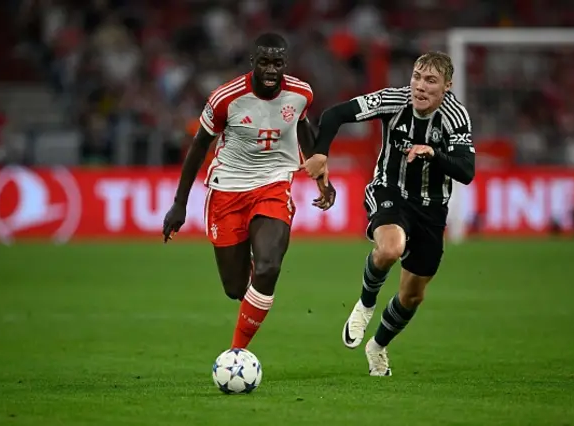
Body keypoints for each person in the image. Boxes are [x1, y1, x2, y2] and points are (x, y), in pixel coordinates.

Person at [301, 51, 475, 376]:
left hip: (432, 207)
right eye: (417, 77)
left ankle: (378, 346)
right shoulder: (394, 101)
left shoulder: (455, 116)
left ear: (447, 86)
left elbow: (467, 170)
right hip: (389, 190)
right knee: (390, 248)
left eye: (431, 81)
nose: (420, 87)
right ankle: (365, 304)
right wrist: (321, 152)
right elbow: (335, 114)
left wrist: (434, 153)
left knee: (412, 296)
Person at [163, 33, 336, 350]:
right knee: (234, 287)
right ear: (252, 62)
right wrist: (179, 204)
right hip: (227, 190)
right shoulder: (225, 98)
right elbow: (199, 148)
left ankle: (237, 353)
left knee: (270, 267)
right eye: (265, 62)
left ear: (286, 63)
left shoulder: (301, 93)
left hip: (273, 183)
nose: (272, 70)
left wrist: (320, 176)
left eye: (278, 63)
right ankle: (252, 272)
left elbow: (302, 127)